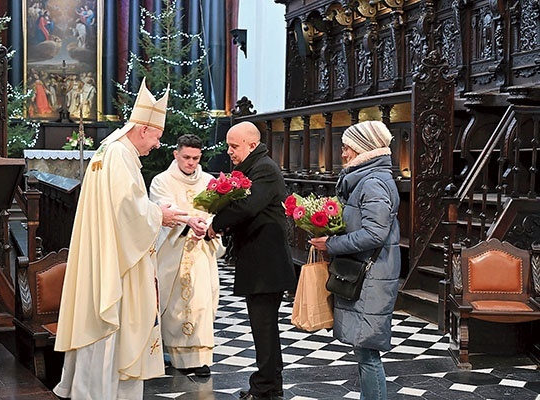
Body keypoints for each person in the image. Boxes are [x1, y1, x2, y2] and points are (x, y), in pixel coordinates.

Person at [54, 78, 186, 400]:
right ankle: (105, 393)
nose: (156, 145)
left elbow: (121, 208)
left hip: (107, 253)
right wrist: (160, 215)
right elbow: (129, 211)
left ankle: (91, 389)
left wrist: (151, 210)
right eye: (156, 136)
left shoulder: (107, 150)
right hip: (117, 261)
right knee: (114, 322)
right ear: (143, 129)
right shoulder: (120, 156)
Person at [309, 120, 400, 400]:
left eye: (347, 147)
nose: (343, 153)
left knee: (367, 352)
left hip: (372, 276)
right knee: (363, 349)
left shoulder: (372, 183)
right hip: (366, 273)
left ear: (363, 149)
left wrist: (332, 244)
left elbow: (374, 233)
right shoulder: (365, 180)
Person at [207, 121, 296, 400]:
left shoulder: (264, 169)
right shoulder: (253, 167)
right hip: (259, 261)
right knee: (265, 327)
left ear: (251, 145)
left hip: (266, 263)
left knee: (264, 327)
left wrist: (215, 224)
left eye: (234, 146)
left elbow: (248, 206)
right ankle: (270, 386)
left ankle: (264, 388)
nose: (230, 152)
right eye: (229, 146)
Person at [149, 134, 225, 378]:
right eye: (186, 157)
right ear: (176, 154)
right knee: (173, 306)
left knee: (203, 301)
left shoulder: (209, 180)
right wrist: (190, 223)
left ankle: (201, 358)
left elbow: (216, 210)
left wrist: (208, 226)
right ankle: (172, 355)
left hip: (201, 250)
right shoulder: (162, 181)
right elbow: (164, 211)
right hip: (174, 251)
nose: (191, 162)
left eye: (195, 158)